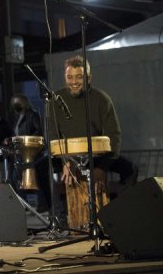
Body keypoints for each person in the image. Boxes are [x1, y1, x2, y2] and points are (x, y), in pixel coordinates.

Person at [47, 55, 123, 228]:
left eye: (79, 77)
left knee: (130, 169)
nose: (74, 81)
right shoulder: (54, 100)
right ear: (65, 78)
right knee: (40, 168)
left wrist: (102, 168)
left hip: (96, 156)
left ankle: (119, 215)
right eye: (70, 77)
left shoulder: (102, 99)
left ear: (89, 78)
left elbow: (115, 135)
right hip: (67, 155)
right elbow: (53, 136)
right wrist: (66, 161)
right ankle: (58, 219)